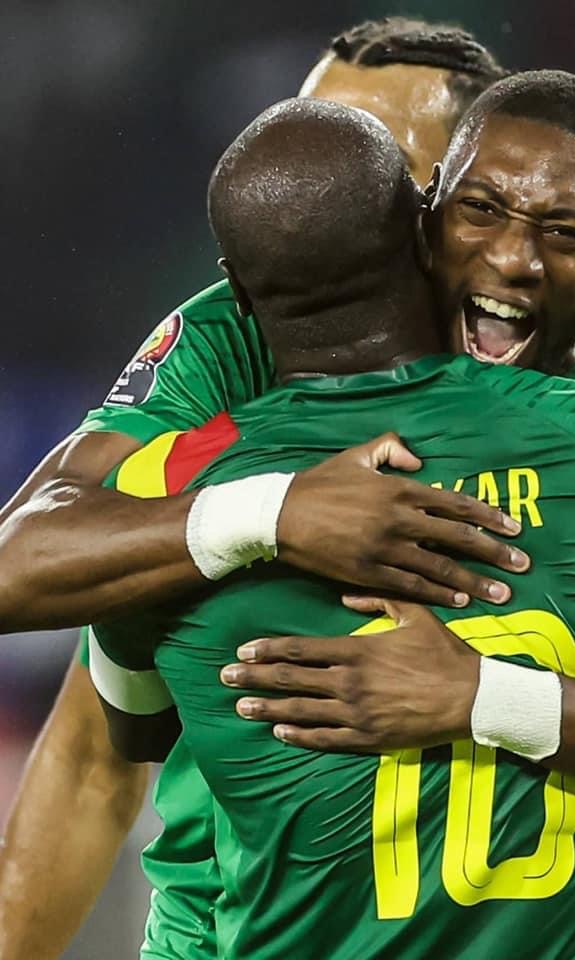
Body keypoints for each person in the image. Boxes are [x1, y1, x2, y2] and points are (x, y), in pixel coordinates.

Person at [94, 94, 575, 960]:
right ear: (422, 228)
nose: (512, 259)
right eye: (483, 211)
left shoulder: (160, 489)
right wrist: (504, 698)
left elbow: (135, 732)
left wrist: (260, 522)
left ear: (238, 287)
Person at [0, 19, 515, 960]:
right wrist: (268, 513)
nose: (322, 184)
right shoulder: (227, 339)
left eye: (376, 160)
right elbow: (74, 709)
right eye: (307, 136)